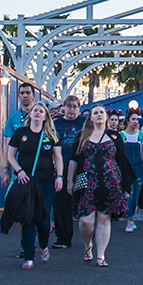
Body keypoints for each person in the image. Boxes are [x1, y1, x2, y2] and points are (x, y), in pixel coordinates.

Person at [5, 102, 63, 268]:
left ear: (46, 116)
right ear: (30, 114)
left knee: (44, 220)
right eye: (35, 110)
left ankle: (43, 245)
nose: (37, 113)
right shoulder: (20, 133)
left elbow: (58, 158)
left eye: (41, 111)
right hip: (26, 181)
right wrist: (19, 171)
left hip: (46, 182)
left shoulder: (51, 135)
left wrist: (59, 176)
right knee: (27, 218)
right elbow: (10, 155)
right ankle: (29, 256)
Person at [68, 107, 127, 267]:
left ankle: (101, 255)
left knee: (104, 218)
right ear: (91, 118)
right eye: (96, 113)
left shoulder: (114, 136)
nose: (99, 115)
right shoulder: (82, 136)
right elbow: (74, 159)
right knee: (86, 220)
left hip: (110, 182)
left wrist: (126, 187)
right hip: (87, 182)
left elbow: (122, 161)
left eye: (102, 112)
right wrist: (69, 180)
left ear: (106, 117)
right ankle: (88, 245)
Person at [51, 95, 85, 248]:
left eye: (75, 106)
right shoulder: (55, 124)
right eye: (69, 106)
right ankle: (63, 237)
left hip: (82, 164)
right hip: (61, 165)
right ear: (64, 107)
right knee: (61, 202)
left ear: (79, 108)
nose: (71, 110)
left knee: (85, 201)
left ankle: (91, 238)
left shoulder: (85, 123)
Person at [121, 108, 143, 231]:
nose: (136, 122)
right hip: (126, 169)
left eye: (137, 119)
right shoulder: (121, 135)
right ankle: (128, 220)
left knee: (136, 195)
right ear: (127, 121)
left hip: (139, 168)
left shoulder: (141, 135)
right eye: (133, 119)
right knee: (129, 195)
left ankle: (131, 218)